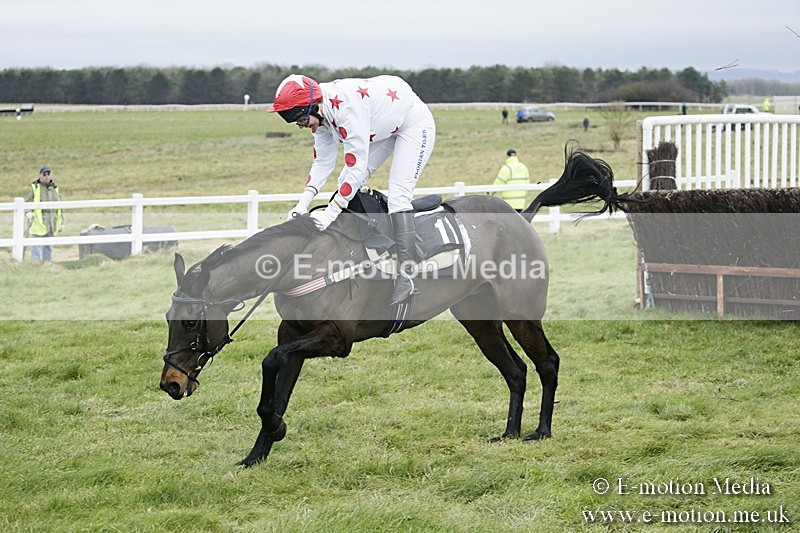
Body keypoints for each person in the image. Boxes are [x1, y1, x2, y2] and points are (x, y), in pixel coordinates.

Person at [268, 74, 436, 306]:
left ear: (314, 106)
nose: (300, 126)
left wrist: (330, 213)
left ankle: (407, 276)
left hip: (412, 125)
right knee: (347, 185)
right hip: (380, 126)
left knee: (398, 195)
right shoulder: (320, 114)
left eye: (302, 120)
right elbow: (322, 163)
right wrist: (302, 203)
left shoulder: (345, 110)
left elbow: (354, 169)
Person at [25, 166, 64, 261]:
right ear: (40, 175)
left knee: (48, 247)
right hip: (38, 223)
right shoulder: (35, 187)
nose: (46, 176)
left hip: (51, 223)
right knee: (36, 247)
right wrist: (28, 213)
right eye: (44, 174)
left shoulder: (56, 188)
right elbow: (28, 202)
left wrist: (61, 222)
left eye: (48, 174)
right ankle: (35, 266)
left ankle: (47, 265)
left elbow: (60, 207)